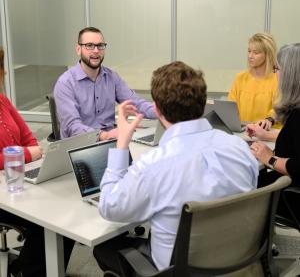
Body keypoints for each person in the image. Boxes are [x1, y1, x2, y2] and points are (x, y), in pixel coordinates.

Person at [93, 61, 259, 275]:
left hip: (179, 271)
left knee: (104, 248)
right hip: (238, 261)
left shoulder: (153, 166)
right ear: (203, 103)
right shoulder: (240, 149)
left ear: (157, 109)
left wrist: (121, 144)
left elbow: (109, 207)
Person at [0, 47, 73, 277]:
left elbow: (29, 138)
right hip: (3, 193)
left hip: (17, 179)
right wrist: (28, 154)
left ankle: (42, 268)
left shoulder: (3, 101)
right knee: (48, 219)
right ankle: (31, 271)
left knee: (66, 208)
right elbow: (29, 150)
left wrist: (27, 153)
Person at [54, 26, 156, 140]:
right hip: (79, 148)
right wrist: (105, 136)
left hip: (110, 141)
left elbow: (136, 103)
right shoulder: (65, 83)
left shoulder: (112, 77)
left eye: (100, 46)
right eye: (89, 46)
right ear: (78, 49)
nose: (96, 51)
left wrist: (163, 110)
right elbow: (72, 126)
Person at [247, 43, 300, 192]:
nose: (275, 73)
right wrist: (266, 135)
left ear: (290, 74)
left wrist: (270, 158)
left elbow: (297, 166)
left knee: (242, 184)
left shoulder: (298, 115)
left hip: (290, 194)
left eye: (277, 69)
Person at [228, 32, 279, 129]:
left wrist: (269, 120)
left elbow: (280, 109)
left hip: (269, 135)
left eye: (256, 53)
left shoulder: (277, 79)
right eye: (249, 51)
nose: (250, 56)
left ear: (268, 54)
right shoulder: (240, 78)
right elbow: (230, 108)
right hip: (243, 134)